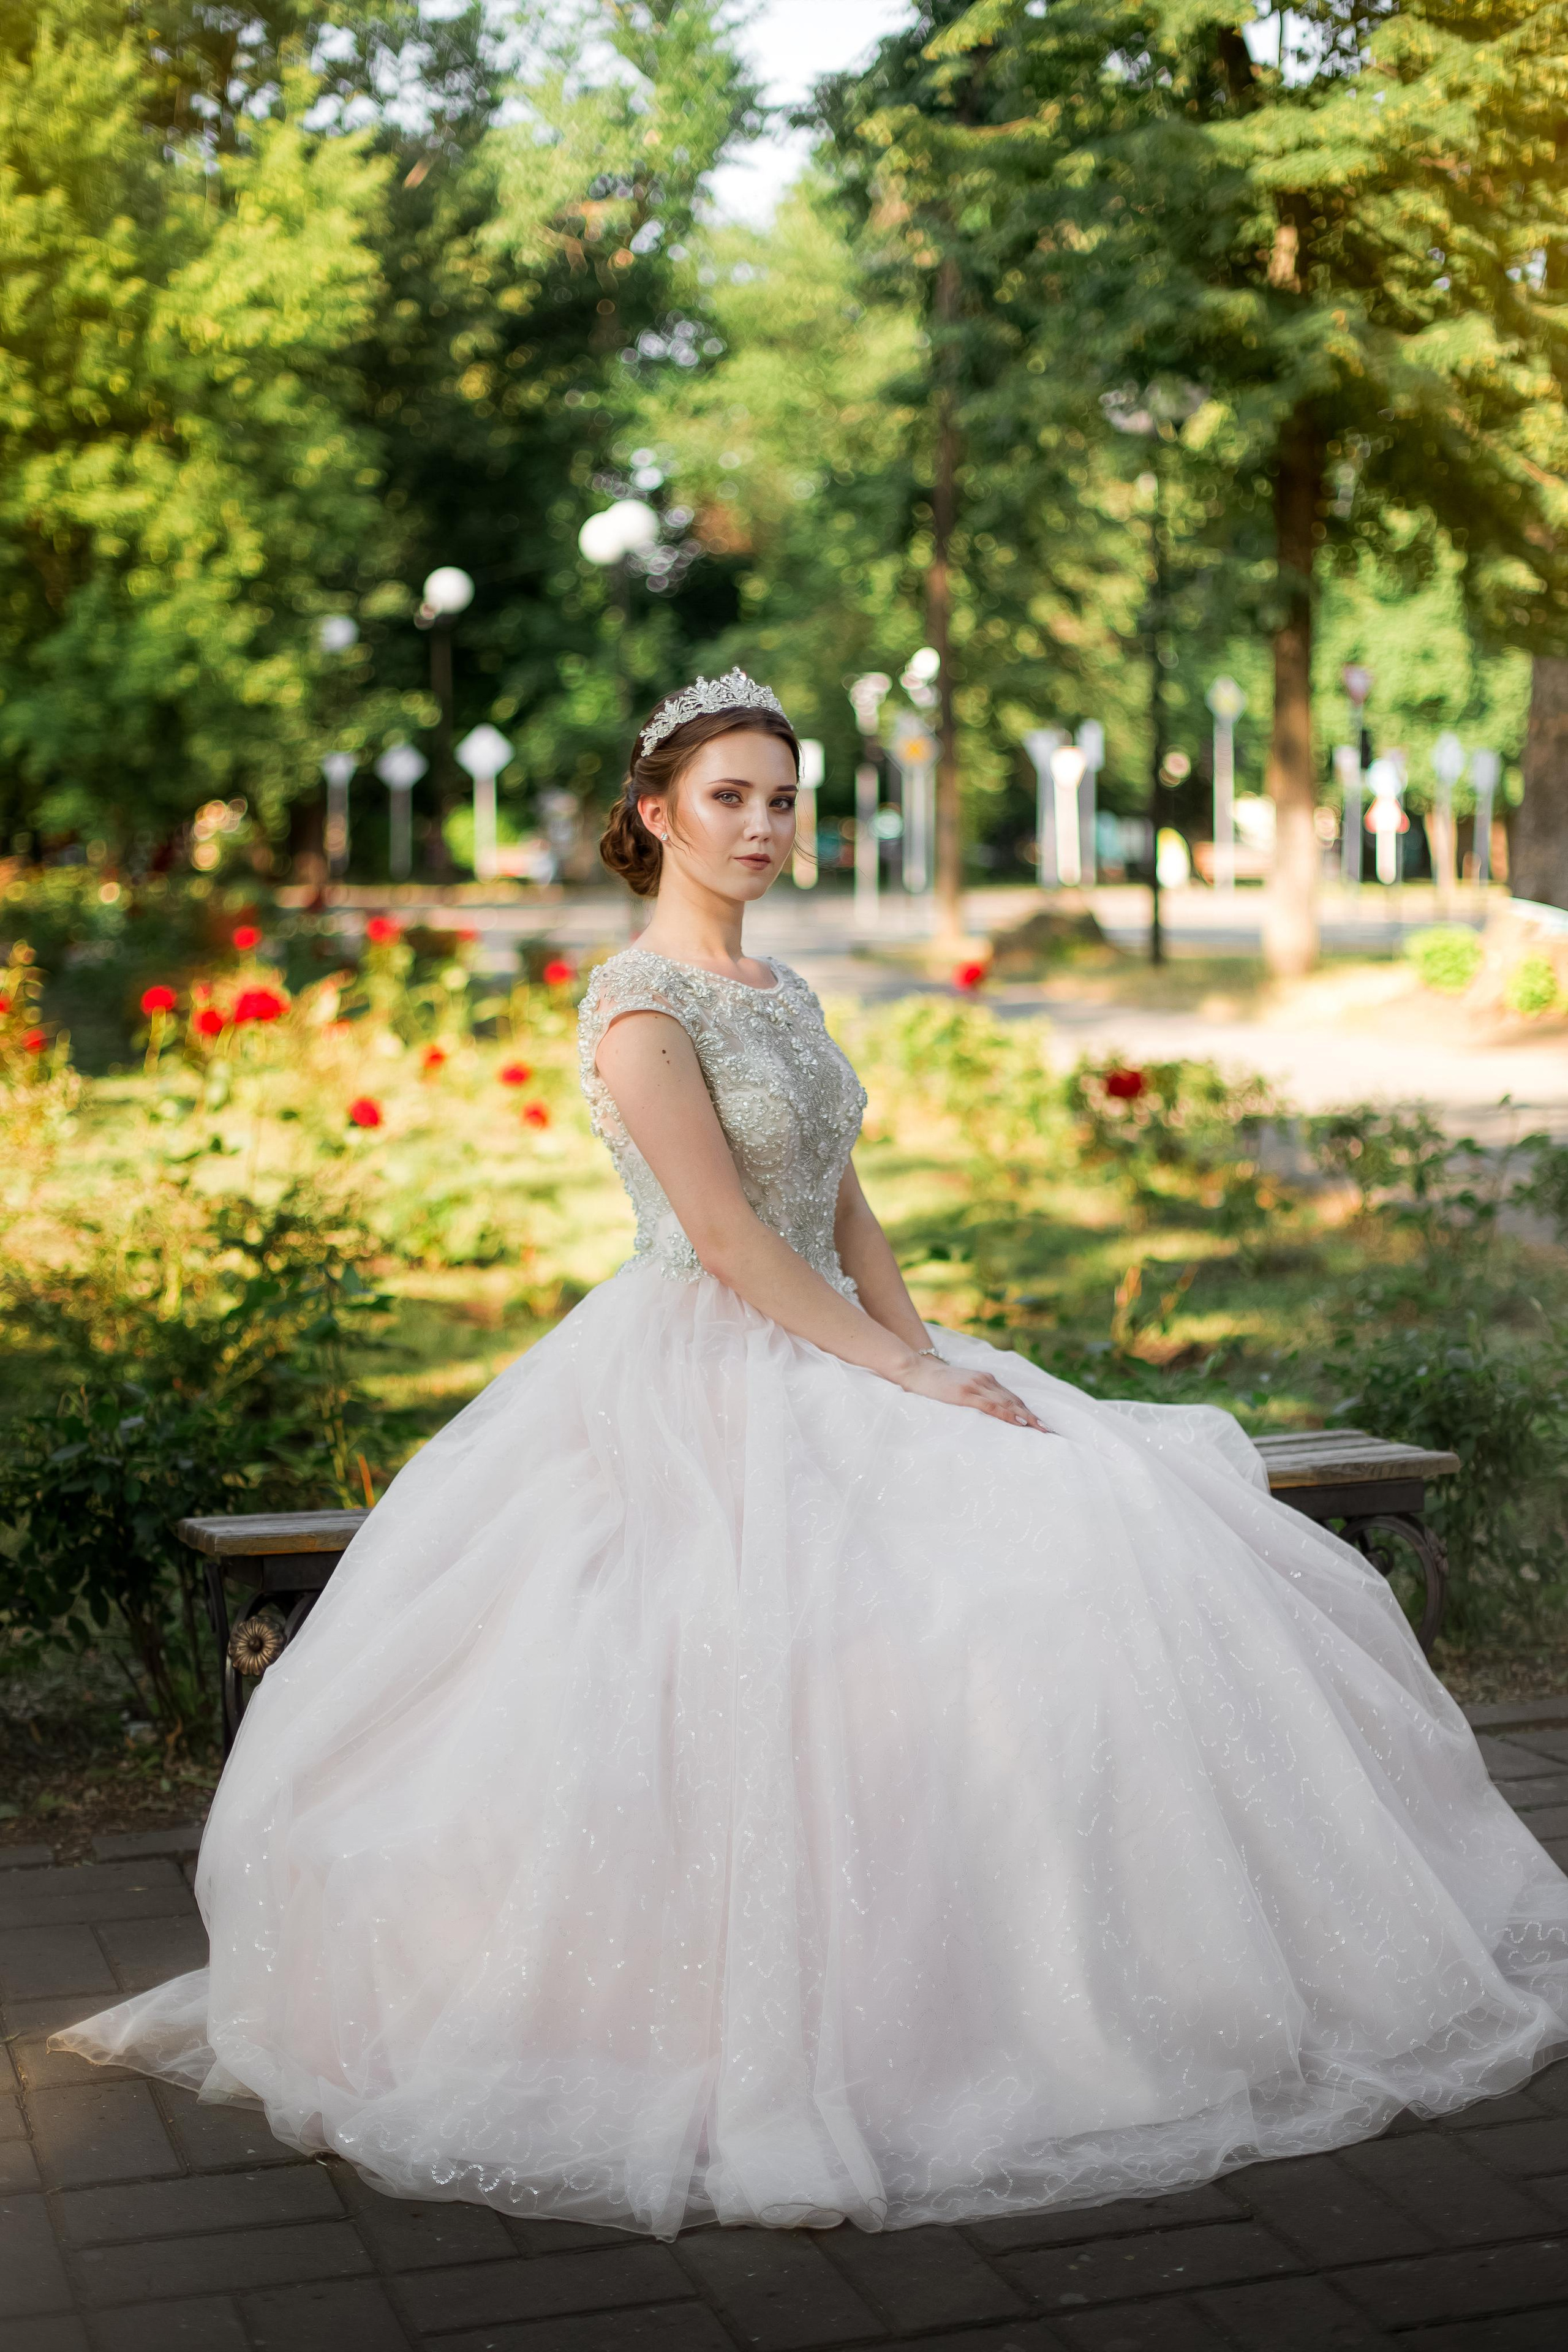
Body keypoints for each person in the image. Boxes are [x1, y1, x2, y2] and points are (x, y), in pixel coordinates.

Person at [55, 671, 1568, 2241]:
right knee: (773, 1650)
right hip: (703, 1365)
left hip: (846, 1332)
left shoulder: (782, 990)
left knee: (1085, 1520)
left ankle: (1068, 1969)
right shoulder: (640, 1004)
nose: (764, 825)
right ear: (655, 815)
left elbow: (842, 1208)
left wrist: (938, 1362)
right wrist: (892, 1370)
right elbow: (720, 1238)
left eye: (782, 798)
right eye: (729, 797)